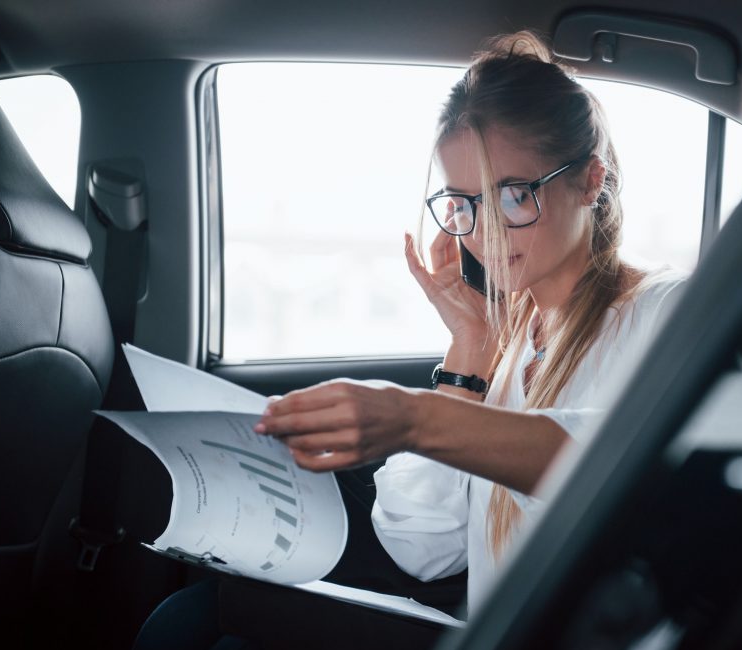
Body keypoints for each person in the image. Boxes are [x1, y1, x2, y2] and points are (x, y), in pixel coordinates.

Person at [253, 30, 685, 612]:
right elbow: (421, 547)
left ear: (590, 180)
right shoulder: (512, 348)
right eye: (463, 202)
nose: (483, 233)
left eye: (512, 196)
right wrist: (469, 349)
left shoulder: (664, 312)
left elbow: (625, 476)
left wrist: (417, 419)